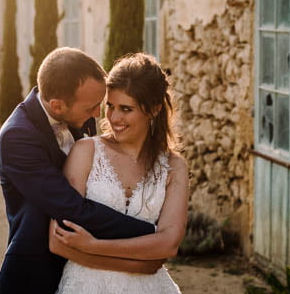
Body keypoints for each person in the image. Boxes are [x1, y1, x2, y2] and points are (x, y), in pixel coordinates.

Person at [0, 48, 164, 294]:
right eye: (92, 108)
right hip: (38, 267)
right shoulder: (17, 137)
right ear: (57, 106)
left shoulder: (79, 115)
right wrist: (150, 233)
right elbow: (71, 208)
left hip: (91, 264)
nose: (98, 114)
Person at [49, 52, 189, 294]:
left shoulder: (175, 167)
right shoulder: (86, 152)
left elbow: (169, 244)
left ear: (154, 109)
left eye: (126, 109)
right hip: (84, 286)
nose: (114, 118)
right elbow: (58, 241)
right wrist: (139, 263)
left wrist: (92, 245)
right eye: (110, 107)